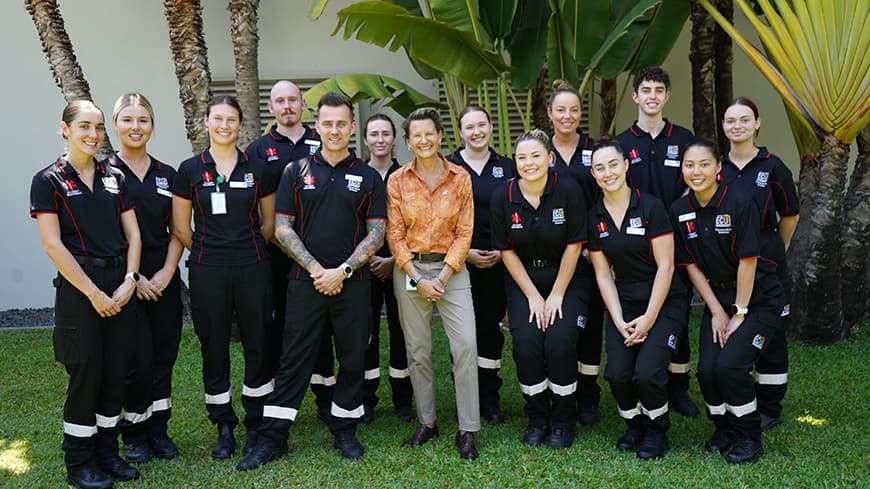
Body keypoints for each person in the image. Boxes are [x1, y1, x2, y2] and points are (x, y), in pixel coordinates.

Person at [237, 92, 386, 470]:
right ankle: (273, 437)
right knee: (293, 360)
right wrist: (318, 270)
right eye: (327, 123)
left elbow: (377, 233)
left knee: (351, 358)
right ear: (317, 127)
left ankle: (344, 428)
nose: (334, 130)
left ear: (352, 128)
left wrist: (343, 271)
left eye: (341, 124)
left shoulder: (368, 176)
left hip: (352, 284)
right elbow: (282, 228)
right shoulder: (295, 171)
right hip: (306, 282)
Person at [31, 100, 142, 488]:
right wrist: (94, 292)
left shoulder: (115, 176)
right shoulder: (48, 180)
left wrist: (130, 279)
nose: (93, 135)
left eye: (98, 128)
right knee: (87, 373)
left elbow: (134, 234)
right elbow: (53, 246)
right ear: (65, 129)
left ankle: (107, 453)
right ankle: (79, 463)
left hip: (120, 286)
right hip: (81, 290)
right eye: (84, 127)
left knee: (115, 374)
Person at [172, 95, 276, 461]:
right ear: (206, 122)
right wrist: (212, 252)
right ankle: (224, 425)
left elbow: (268, 224)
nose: (224, 126)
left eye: (231, 120)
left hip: (253, 265)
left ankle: (257, 419)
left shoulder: (258, 168)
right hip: (207, 268)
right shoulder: (189, 169)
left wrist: (243, 250)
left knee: (258, 342)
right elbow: (182, 229)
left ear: (240, 124)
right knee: (213, 345)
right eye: (218, 119)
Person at [669, 139, 783, 464]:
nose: (696, 171)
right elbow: (690, 264)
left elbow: (748, 261)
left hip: (757, 299)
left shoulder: (739, 201)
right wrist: (717, 310)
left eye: (704, 164)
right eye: (689, 165)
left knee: (730, 365)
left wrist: (740, 312)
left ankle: (750, 437)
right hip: (717, 298)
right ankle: (725, 428)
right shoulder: (680, 210)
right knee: (707, 371)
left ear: (718, 167)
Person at [387, 107, 480, 459]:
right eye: (416, 136)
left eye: (430, 133)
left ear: (440, 136)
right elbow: (395, 235)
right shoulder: (397, 180)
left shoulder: (460, 178)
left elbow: (465, 231)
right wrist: (416, 276)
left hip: (451, 271)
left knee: (465, 346)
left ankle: (467, 428)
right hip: (410, 270)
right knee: (418, 350)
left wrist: (441, 276)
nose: (424, 140)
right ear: (409, 142)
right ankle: (427, 422)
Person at [587, 137, 687, 460]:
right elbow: (603, 274)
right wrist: (617, 319)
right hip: (624, 302)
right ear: (593, 174)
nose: (608, 172)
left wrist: (648, 319)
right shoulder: (596, 216)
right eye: (600, 168)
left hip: (664, 300)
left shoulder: (651, 207)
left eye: (613, 165)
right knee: (617, 374)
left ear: (626, 166)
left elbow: (666, 265)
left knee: (647, 372)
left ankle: (657, 429)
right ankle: (634, 425)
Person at [490, 129, 587, 449]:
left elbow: (575, 246)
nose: (529, 163)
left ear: (550, 158)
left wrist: (556, 294)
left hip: (567, 278)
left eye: (535, 156)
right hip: (524, 281)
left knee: (559, 342)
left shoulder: (568, 190)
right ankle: (537, 418)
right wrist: (533, 296)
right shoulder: (502, 197)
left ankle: (562, 421)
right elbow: (506, 251)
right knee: (527, 344)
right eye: (522, 157)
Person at [244, 80, 335, 420]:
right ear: (271, 108)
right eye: (279, 101)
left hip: (320, 259)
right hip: (274, 257)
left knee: (322, 329)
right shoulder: (258, 149)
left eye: (292, 100)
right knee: (276, 327)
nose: (287, 106)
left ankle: (326, 399)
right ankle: (272, 402)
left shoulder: (321, 141)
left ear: (302, 105)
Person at [615, 66, 699, 417]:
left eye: (658, 90)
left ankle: (678, 389)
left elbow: (692, 184)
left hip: (675, 243)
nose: (651, 96)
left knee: (677, 315)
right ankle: (640, 379)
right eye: (645, 90)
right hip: (634, 246)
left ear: (666, 97)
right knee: (642, 308)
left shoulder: (683, 138)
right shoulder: (621, 143)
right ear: (635, 96)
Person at [108, 93, 183, 463]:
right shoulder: (103, 174)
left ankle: (159, 429)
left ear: (152, 125)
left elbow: (178, 230)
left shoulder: (168, 175)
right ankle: (134, 432)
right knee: (132, 357)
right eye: (128, 120)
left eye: (143, 120)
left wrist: (168, 272)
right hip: (122, 277)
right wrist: (134, 278)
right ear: (115, 124)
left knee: (163, 354)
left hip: (162, 275)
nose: (135, 127)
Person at [719, 97, 799, 431]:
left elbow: (790, 214)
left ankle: (770, 406)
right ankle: (739, 393)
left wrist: (773, 247)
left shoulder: (773, 167)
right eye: (730, 120)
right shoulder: (716, 167)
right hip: (728, 264)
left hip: (768, 263)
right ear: (723, 126)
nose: (737, 126)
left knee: (773, 335)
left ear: (757, 123)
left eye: (744, 119)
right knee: (736, 325)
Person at [446, 106, 515, 424]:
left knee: (489, 332)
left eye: (481, 125)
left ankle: (489, 400)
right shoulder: (449, 167)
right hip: (458, 264)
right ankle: (464, 398)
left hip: (498, 261)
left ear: (490, 127)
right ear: (461, 132)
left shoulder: (508, 167)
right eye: (469, 127)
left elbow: (516, 215)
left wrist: (505, 251)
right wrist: (465, 253)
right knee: (460, 334)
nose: (476, 132)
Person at [547, 79, 602, 425]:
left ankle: (588, 396)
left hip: (589, 254)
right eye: (561, 110)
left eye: (574, 110)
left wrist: (594, 247)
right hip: (550, 256)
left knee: (591, 327)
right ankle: (556, 391)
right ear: (549, 113)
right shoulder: (539, 151)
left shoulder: (595, 151)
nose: (568, 116)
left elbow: (605, 200)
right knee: (557, 328)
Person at [361, 113, 414, 423]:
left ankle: (402, 400)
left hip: (400, 265)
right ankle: (366, 400)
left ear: (395, 139)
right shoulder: (356, 175)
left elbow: (414, 225)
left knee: (400, 332)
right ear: (365, 139)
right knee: (365, 334)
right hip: (366, 267)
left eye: (385, 134)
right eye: (374, 134)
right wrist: (368, 259)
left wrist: (394, 260)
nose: (380, 139)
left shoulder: (406, 175)